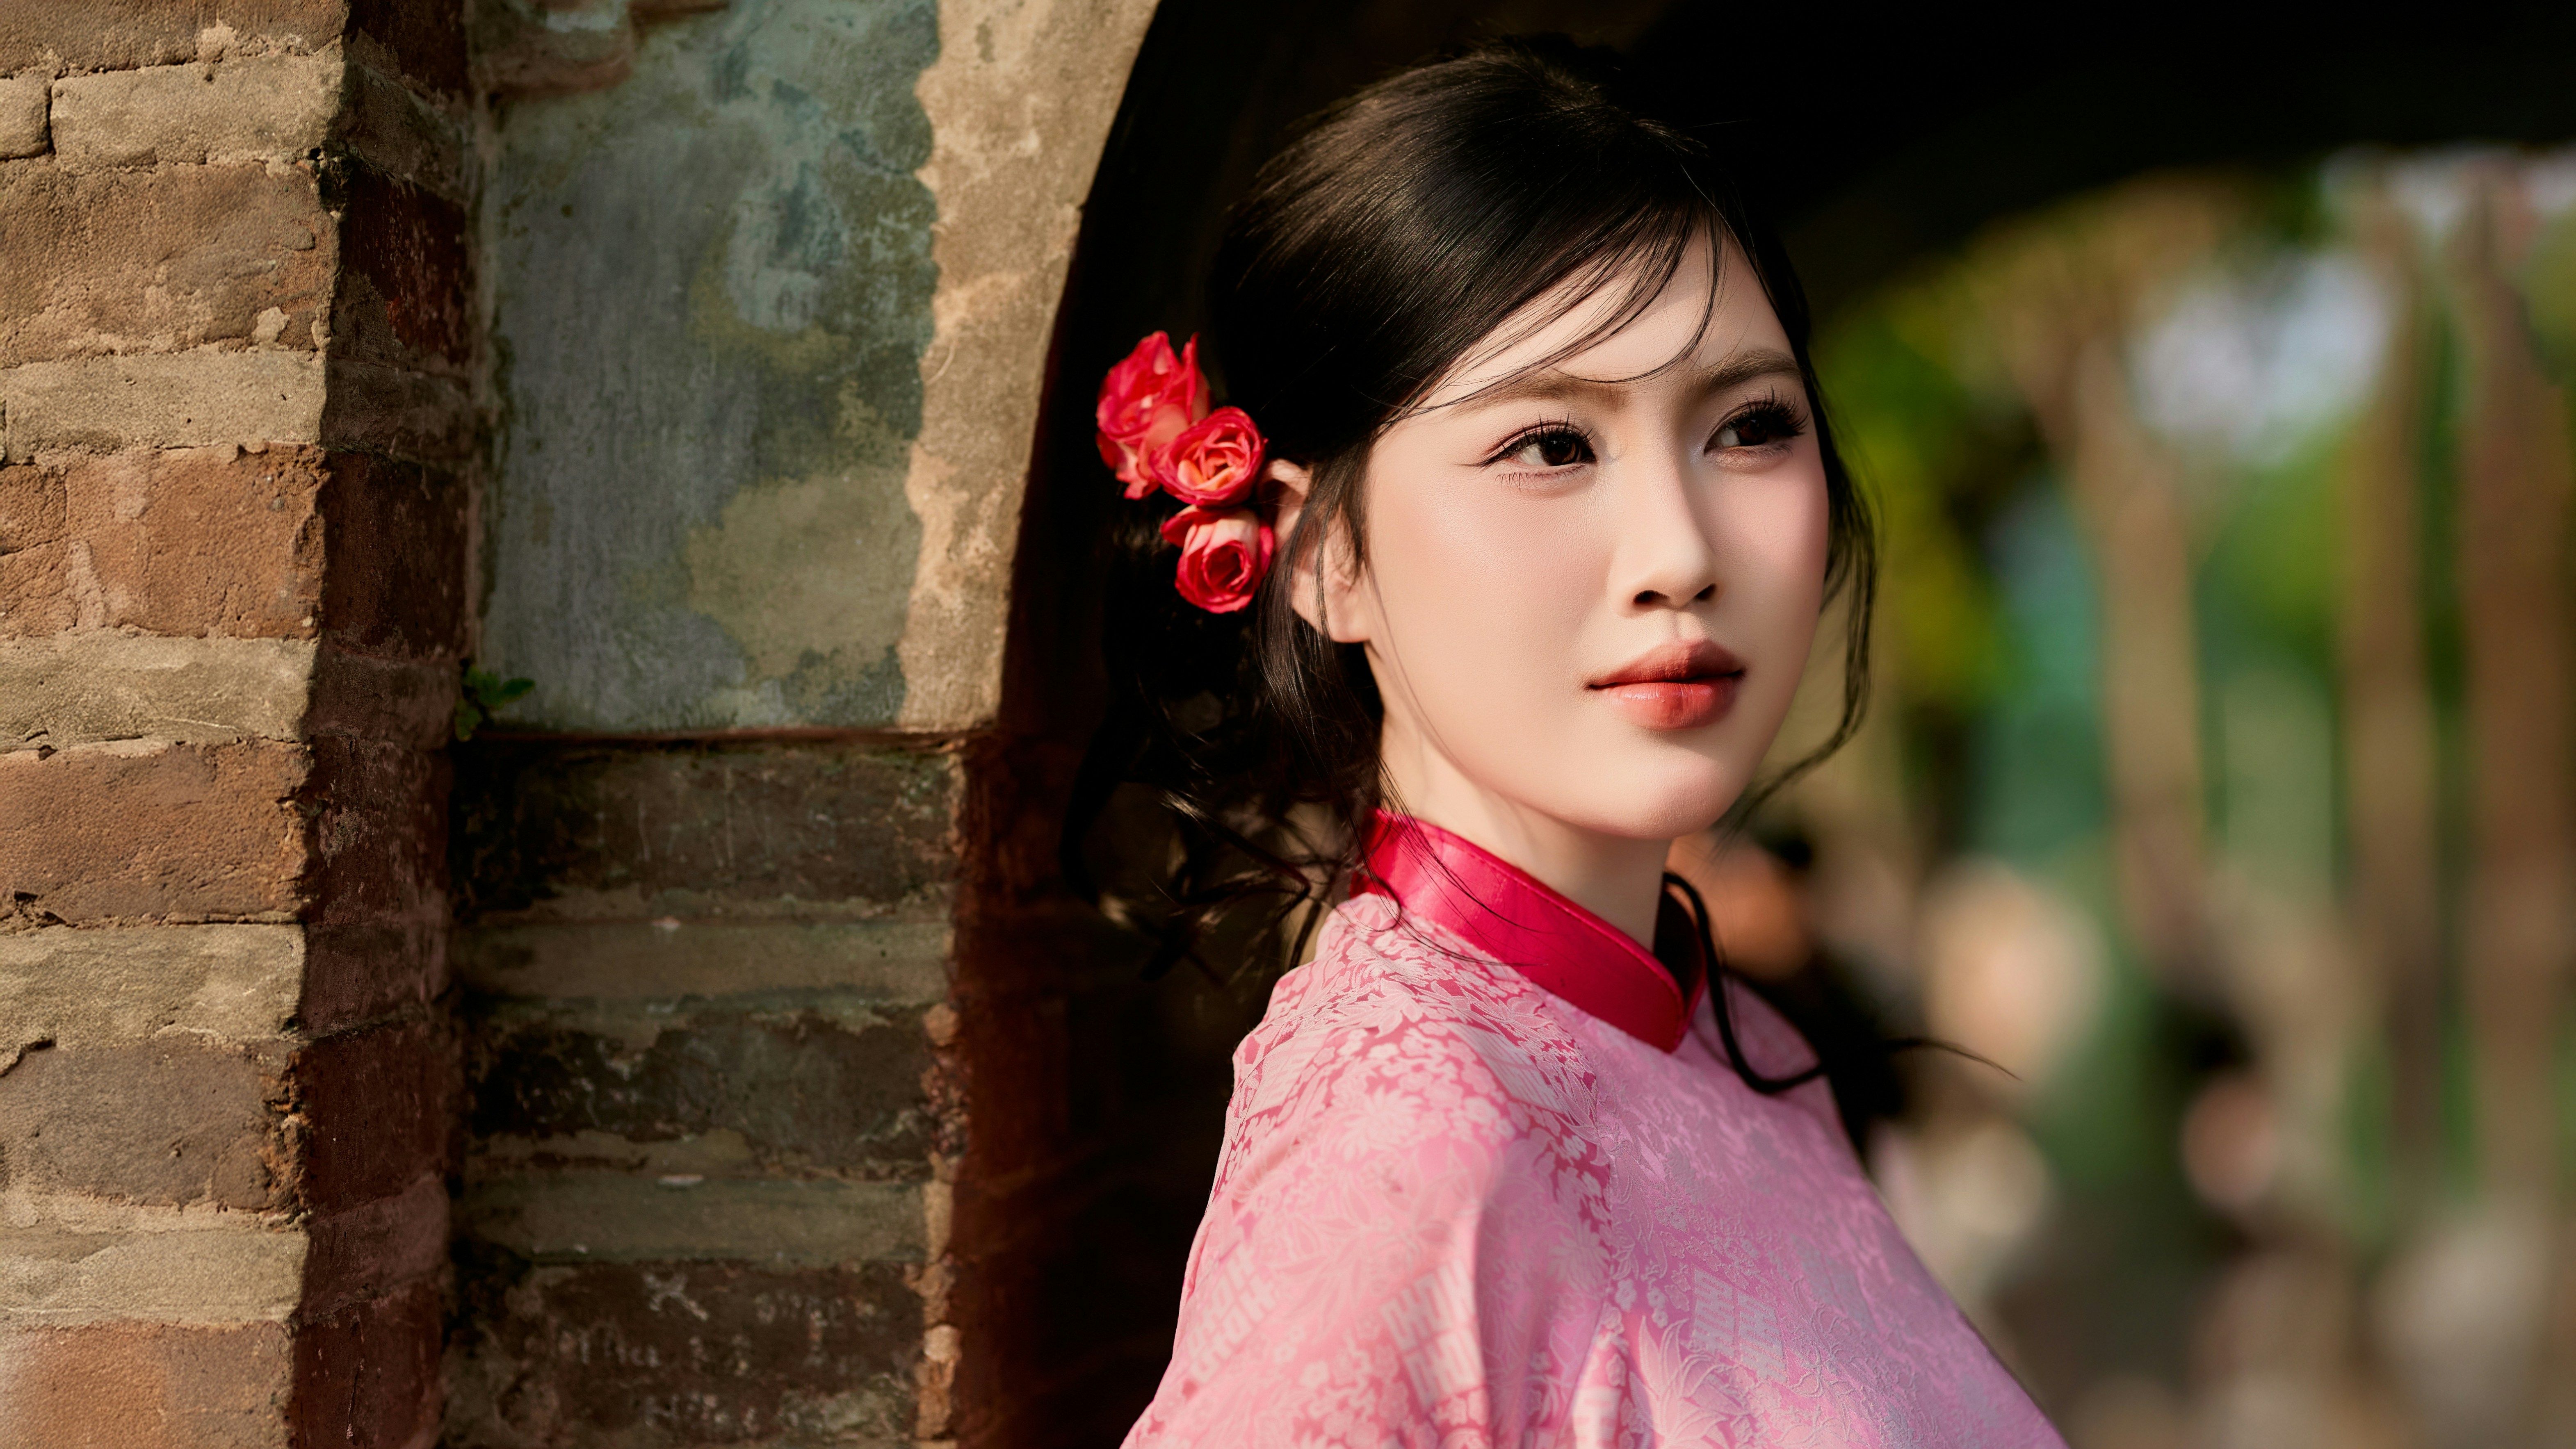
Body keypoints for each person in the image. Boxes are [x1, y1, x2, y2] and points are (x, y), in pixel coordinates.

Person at [1079, 36, 2065, 1447]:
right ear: (1317, 555)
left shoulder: (1735, 1044)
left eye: (1748, 426)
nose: (1680, 551)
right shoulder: (1408, 1143)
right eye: (1550, 444)